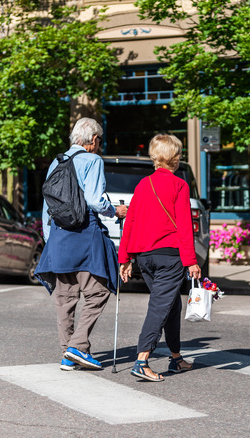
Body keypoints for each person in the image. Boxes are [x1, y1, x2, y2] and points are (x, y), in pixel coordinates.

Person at [35, 117, 127, 371]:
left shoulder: (58, 161)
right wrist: (116, 212)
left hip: (59, 236)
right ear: (94, 140)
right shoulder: (93, 160)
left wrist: (49, 238)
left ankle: (68, 354)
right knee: (98, 291)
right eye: (99, 141)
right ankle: (77, 346)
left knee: (65, 298)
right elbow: (96, 200)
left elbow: (47, 206)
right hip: (85, 235)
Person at [119, 134, 200, 382]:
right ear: (174, 159)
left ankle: (175, 357)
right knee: (160, 306)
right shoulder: (179, 185)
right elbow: (185, 227)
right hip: (170, 257)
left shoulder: (143, 184)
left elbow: (130, 222)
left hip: (145, 258)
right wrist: (191, 261)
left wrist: (125, 258)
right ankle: (142, 360)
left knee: (171, 304)